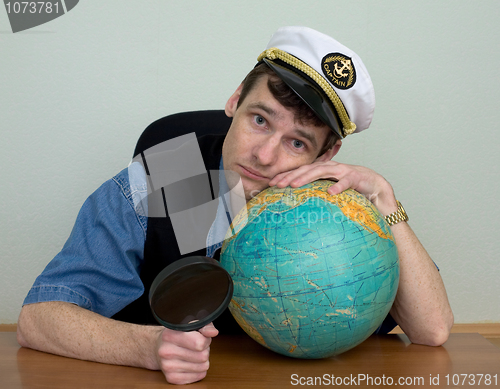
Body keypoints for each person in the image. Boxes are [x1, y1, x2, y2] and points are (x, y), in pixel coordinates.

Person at [16, 26, 454, 385]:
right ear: (235, 99)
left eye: (297, 142)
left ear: (326, 155)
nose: (264, 156)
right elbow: (39, 319)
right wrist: (148, 348)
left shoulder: (337, 209)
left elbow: (432, 330)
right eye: (259, 120)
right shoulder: (166, 179)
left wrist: (384, 198)